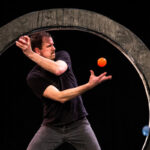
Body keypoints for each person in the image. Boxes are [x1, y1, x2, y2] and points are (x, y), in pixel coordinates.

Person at [16, 31, 112, 150]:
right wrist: (89, 86)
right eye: (49, 46)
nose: (54, 48)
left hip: (78, 124)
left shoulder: (62, 55)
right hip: (52, 127)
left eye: (53, 44)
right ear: (37, 51)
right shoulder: (34, 77)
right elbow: (60, 97)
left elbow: (58, 69)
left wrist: (29, 54)